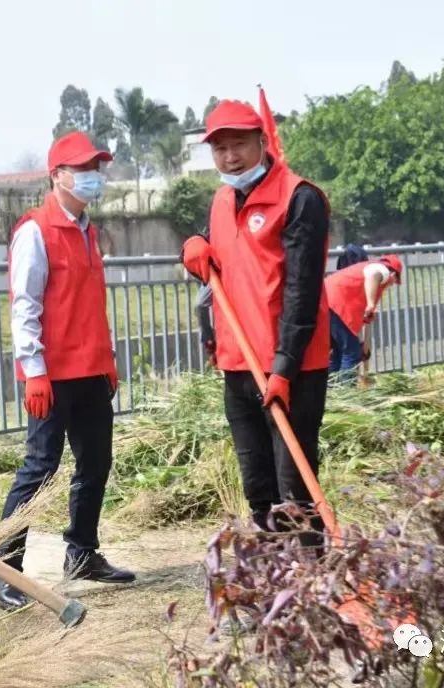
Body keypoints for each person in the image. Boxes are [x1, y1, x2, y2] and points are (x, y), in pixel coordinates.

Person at [0, 131, 133, 611]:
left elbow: (92, 307)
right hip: (52, 374)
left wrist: (108, 363)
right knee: (40, 469)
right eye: (83, 168)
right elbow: (24, 306)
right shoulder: (35, 230)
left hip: (91, 372)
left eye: (97, 168)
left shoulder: (89, 231)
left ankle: (82, 553)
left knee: (95, 464)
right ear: (57, 175)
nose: (93, 177)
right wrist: (33, 370)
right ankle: (5, 570)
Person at [181, 96, 331, 550]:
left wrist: (284, 368)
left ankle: (311, 584)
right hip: (239, 365)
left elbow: (301, 293)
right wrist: (194, 248)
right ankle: (274, 590)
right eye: (220, 148)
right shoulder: (222, 201)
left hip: (292, 369)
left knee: (296, 489)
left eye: (240, 144)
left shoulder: (300, 198)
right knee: (259, 488)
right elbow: (217, 259)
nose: (230, 156)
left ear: (262, 142)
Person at [326, 254, 402, 380]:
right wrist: (371, 303)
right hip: (336, 305)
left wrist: (363, 343)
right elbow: (373, 276)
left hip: (326, 302)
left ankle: (330, 390)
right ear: (394, 275)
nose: (392, 285)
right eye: (395, 282)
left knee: (337, 351)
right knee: (351, 353)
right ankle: (347, 394)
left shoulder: (366, 271)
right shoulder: (382, 269)